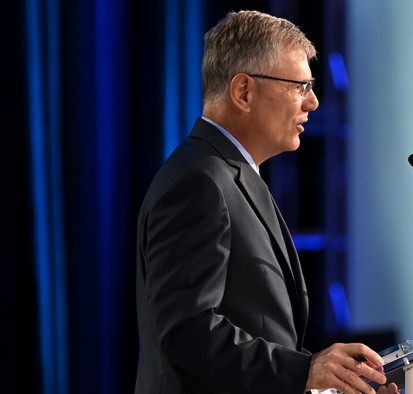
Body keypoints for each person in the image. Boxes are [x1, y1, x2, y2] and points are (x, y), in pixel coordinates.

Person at [134, 10, 398, 394]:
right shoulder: (199, 182)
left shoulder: (228, 175)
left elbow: (260, 333)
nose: (315, 102)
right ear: (243, 92)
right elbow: (186, 329)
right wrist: (304, 371)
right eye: (300, 86)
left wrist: (330, 383)